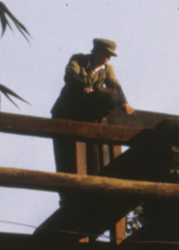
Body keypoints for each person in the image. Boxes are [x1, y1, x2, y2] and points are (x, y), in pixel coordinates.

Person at [50, 38, 135, 174]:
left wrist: (124, 102)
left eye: (109, 56)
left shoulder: (107, 69)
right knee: (66, 157)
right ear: (96, 52)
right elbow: (70, 76)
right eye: (104, 55)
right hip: (68, 111)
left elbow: (114, 84)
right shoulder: (79, 59)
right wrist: (84, 86)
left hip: (87, 113)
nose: (106, 59)